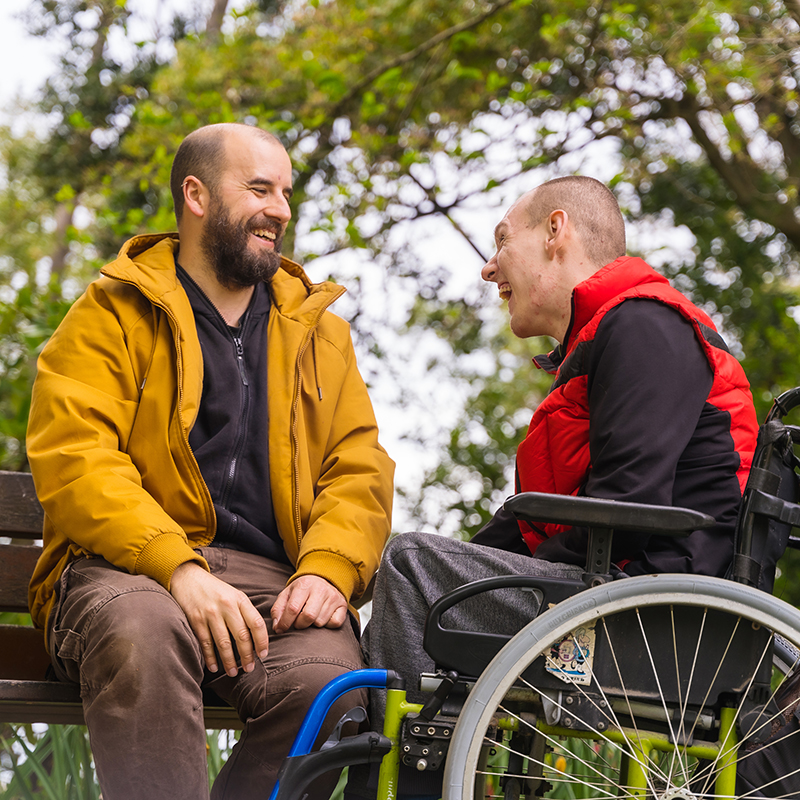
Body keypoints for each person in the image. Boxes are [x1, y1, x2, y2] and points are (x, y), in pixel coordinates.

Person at [346, 175, 759, 800]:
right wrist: (482, 566)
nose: (489, 270)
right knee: (423, 568)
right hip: (625, 599)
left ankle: (400, 784)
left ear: (556, 231)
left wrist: (487, 574)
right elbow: (531, 523)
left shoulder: (646, 326)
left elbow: (630, 504)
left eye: (502, 242)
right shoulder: (609, 338)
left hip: (658, 621)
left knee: (408, 565)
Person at [26, 122, 395, 800]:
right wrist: (180, 569)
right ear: (195, 195)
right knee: (145, 632)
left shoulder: (320, 332)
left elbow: (358, 468)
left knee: (331, 690)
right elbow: (78, 459)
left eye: (285, 192)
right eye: (259, 189)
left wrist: (329, 568)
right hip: (126, 571)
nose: (280, 209)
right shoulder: (110, 312)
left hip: (271, 586)